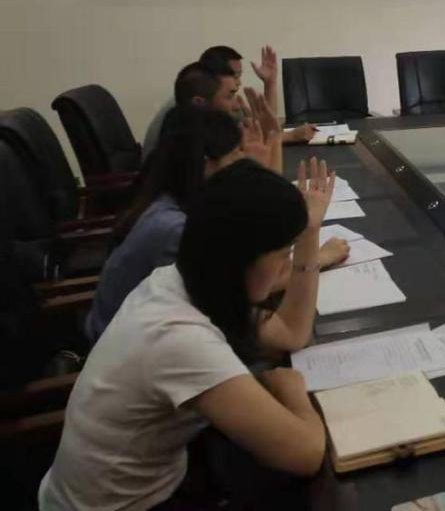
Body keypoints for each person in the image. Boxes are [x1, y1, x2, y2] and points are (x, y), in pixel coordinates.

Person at [40, 158, 335, 511]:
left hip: (145, 483)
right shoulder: (179, 339)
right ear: (243, 258)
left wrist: (310, 234)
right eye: (284, 254)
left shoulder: (181, 280)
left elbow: (290, 333)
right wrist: (292, 389)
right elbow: (306, 453)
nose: (286, 265)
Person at [85, 102, 349, 343]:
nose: (242, 160)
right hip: (125, 345)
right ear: (205, 164)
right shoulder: (179, 229)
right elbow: (264, 295)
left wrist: (260, 175)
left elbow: (266, 238)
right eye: (236, 154)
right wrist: (318, 257)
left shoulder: (174, 201)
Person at [142, 45, 315, 158]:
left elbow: (259, 133)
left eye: (238, 75)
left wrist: (270, 83)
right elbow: (250, 145)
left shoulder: (209, 105)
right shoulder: (184, 123)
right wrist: (288, 136)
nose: (238, 82)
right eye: (234, 75)